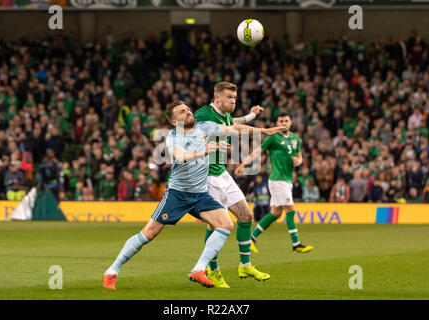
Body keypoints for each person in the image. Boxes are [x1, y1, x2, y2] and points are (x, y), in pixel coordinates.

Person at [103, 100, 281, 290]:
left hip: (200, 194)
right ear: (174, 121)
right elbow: (180, 156)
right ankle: (112, 271)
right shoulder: (173, 137)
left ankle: (199, 270)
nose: (188, 112)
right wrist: (204, 151)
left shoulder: (205, 127)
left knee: (226, 224)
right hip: (177, 194)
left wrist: (264, 131)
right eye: (181, 112)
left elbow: (233, 128)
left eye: (187, 109)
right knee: (149, 233)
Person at [194, 82, 271, 288]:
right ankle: (213, 270)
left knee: (246, 216)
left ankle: (244, 265)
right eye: (229, 97)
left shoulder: (224, 115)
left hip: (222, 175)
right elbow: (202, 134)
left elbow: (234, 121)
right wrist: (261, 129)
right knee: (216, 225)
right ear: (217, 97)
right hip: (207, 177)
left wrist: (252, 115)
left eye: (235, 98)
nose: (233, 101)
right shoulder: (202, 115)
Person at [236, 113, 313, 254]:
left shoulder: (295, 138)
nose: (284, 123)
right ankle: (296, 243)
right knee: (290, 209)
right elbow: (258, 152)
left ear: (291, 122)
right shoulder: (273, 137)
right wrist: (243, 164)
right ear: (277, 123)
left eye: (286, 121)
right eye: (281, 121)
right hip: (277, 180)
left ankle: (251, 238)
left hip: (287, 180)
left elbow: (299, 157)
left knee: (276, 213)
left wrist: (298, 161)